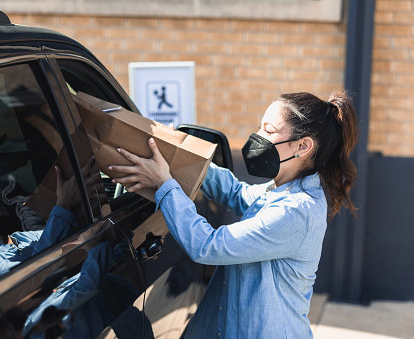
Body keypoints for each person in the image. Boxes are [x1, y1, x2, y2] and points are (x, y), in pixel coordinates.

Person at [108, 91, 358, 338]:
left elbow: (207, 246)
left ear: (302, 146)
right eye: (259, 128)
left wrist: (165, 186)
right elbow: (237, 193)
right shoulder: (282, 189)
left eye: (269, 131)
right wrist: (181, 155)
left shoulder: (296, 211)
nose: (257, 137)